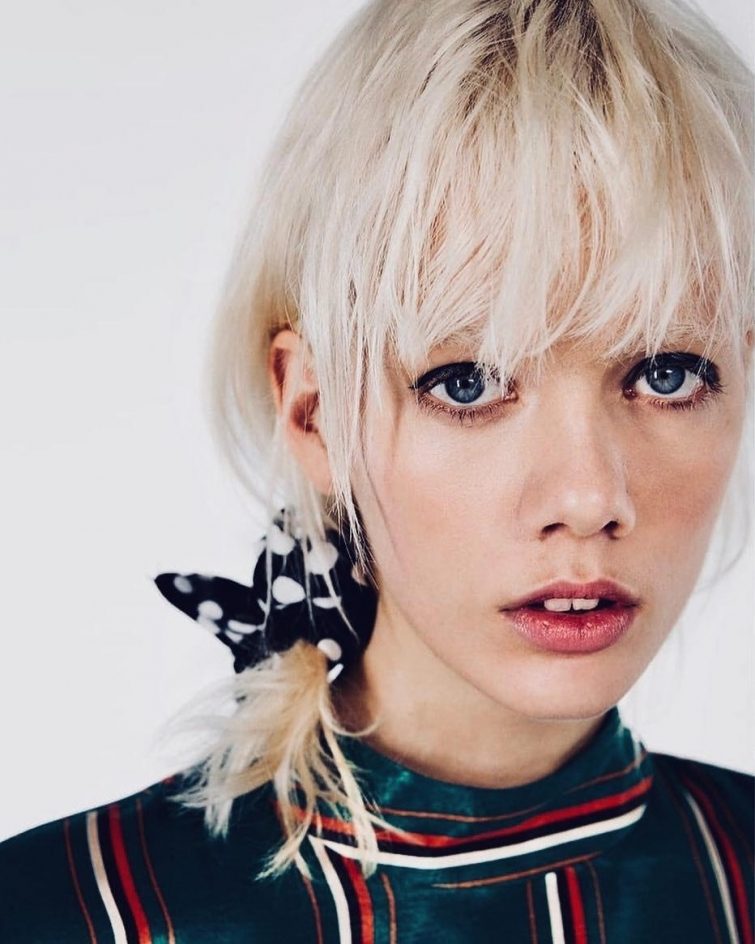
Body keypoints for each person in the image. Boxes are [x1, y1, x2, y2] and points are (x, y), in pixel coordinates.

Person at [1, 0, 753, 940]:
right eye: (468, 383)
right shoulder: (59, 912)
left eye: (668, 373)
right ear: (313, 413)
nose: (587, 497)